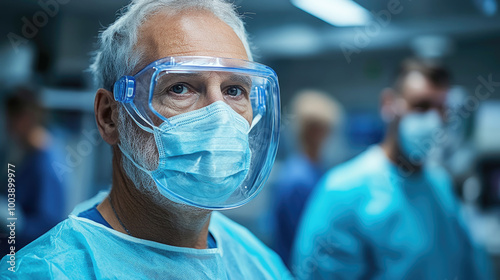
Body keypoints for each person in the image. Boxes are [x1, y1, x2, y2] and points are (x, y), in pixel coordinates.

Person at [0, 0, 292, 278]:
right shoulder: (47, 271)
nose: (220, 118)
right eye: (179, 88)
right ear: (109, 116)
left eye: (234, 90)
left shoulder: (257, 261)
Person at [292, 59, 494, 279]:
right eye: (421, 106)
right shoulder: (343, 190)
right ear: (389, 104)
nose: (433, 120)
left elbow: (467, 263)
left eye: (441, 110)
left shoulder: (440, 185)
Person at [271, 90, 340, 267]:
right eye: (325, 130)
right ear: (314, 132)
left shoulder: (313, 170)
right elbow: (306, 238)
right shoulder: (299, 179)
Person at [2, 88, 66, 252]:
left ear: (25, 118)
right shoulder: (27, 155)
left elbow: (48, 225)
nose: (8, 128)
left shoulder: (47, 164)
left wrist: (13, 222)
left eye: (10, 121)